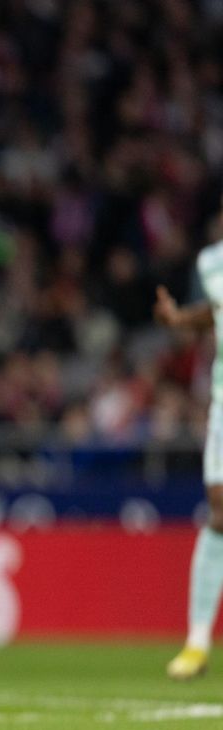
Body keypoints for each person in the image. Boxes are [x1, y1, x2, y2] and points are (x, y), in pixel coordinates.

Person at [155, 201, 223, 681]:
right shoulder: (212, 261)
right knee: (219, 509)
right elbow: (216, 312)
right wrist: (180, 320)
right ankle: (197, 641)